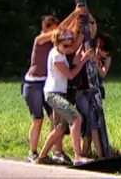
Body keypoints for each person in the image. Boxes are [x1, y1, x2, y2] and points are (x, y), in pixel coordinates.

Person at [21, 7, 85, 164]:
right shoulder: (41, 39)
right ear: (47, 28)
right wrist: (75, 14)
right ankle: (33, 152)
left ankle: (56, 152)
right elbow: (62, 31)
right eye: (54, 28)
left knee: (54, 121)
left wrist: (79, 24)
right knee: (38, 119)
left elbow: (68, 37)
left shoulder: (57, 47)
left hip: (47, 86)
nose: (57, 30)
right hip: (34, 84)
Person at [36, 28, 93, 166]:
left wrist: (81, 47)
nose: (68, 47)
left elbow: (73, 56)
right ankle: (78, 156)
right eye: (65, 44)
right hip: (53, 94)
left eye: (70, 43)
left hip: (59, 93)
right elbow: (70, 75)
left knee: (60, 129)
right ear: (57, 42)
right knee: (76, 118)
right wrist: (84, 60)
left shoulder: (61, 53)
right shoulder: (56, 56)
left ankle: (42, 157)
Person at [75, 31, 114, 158]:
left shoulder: (106, 59)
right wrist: (88, 56)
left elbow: (103, 73)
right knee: (88, 121)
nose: (103, 53)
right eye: (103, 50)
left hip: (95, 92)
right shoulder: (88, 51)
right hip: (82, 90)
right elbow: (77, 61)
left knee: (95, 121)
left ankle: (95, 153)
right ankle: (88, 152)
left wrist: (95, 62)